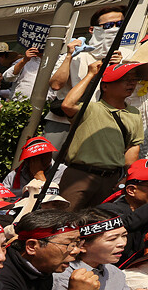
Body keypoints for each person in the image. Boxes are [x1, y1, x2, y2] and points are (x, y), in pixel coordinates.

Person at [57, 61, 144, 211]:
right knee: (63, 221)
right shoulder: (90, 108)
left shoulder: (134, 113)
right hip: (80, 175)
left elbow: (132, 150)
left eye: (134, 80)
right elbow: (67, 105)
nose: (132, 84)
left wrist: (127, 177)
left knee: (95, 226)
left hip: (110, 180)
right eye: (125, 79)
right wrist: (90, 74)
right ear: (105, 86)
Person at [45, 6, 128, 146]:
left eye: (119, 24)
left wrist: (118, 67)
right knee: (50, 163)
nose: (114, 29)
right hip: (63, 123)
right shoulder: (77, 54)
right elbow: (55, 85)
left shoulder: (126, 56)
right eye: (108, 25)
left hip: (100, 125)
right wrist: (69, 55)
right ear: (92, 29)